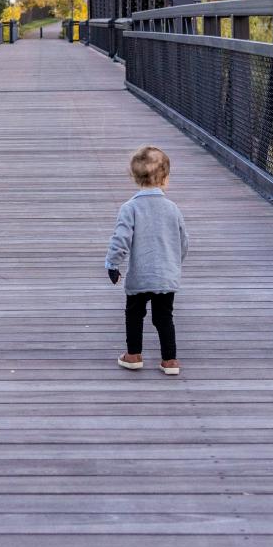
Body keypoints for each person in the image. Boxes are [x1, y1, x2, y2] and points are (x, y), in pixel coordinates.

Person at [105, 144, 186, 375]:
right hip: (166, 276)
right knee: (164, 317)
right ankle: (170, 360)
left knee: (134, 313)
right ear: (165, 178)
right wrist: (174, 262)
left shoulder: (130, 208)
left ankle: (133, 355)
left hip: (140, 275)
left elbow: (120, 239)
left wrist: (112, 264)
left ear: (134, 177)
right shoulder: (173, 209)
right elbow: (183, 240)